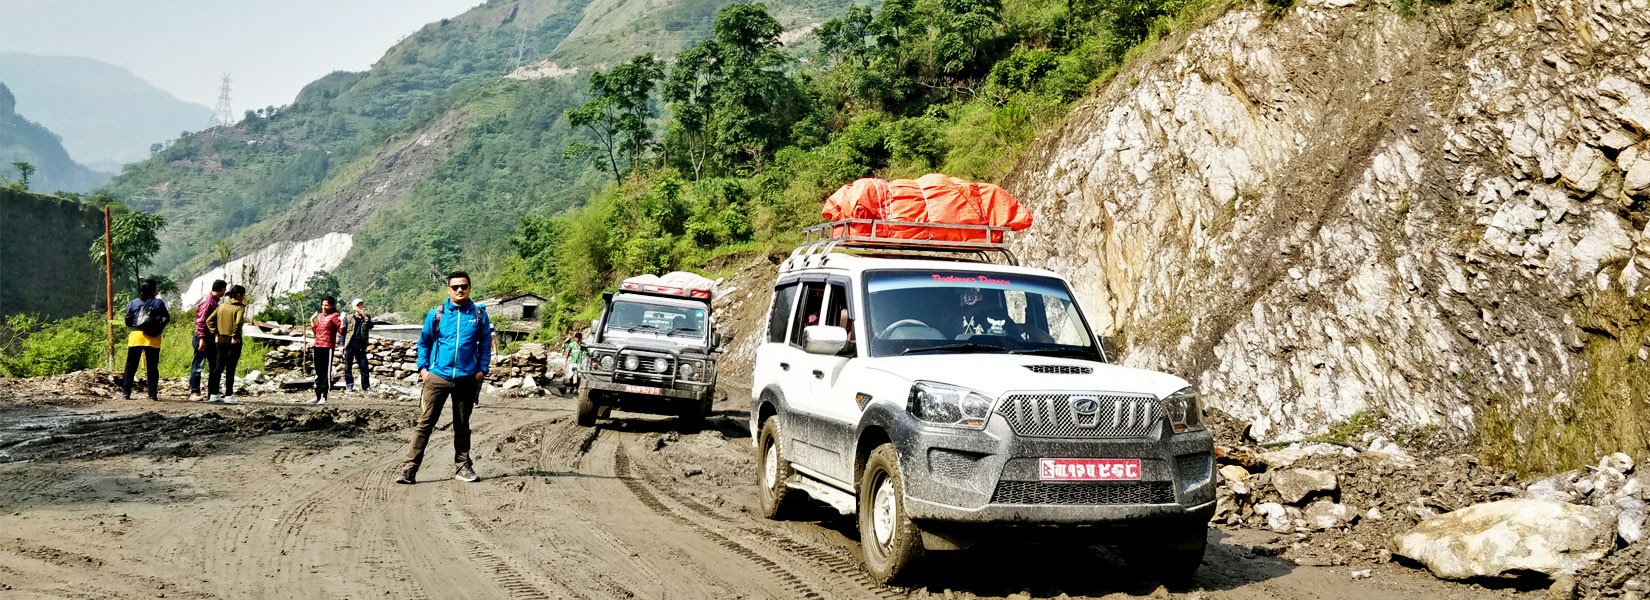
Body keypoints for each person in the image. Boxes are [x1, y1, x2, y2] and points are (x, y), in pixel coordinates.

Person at [396, 271, 492, 485]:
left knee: (462, 424)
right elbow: (424, 343)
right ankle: (409, 469)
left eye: (464, 286)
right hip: (437, 377)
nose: (460, 290)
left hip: (467, 378)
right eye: (456, 286)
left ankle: (462, 466)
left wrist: (481, 371)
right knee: (425, 423)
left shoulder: (478, 315)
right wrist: (423, 370)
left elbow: (485, 345)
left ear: (469, 288)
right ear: (448, 289)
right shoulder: (437, 314)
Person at [121, 278, 170, 401]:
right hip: (152, 339)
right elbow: (166, 318)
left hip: (136, 336)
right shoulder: (159, 303)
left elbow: (127, 321)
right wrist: (156, 329)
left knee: (131, 366)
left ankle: (126, 393)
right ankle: (152, 394)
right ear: (154, 291)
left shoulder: (133, 303)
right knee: (152, 367)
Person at [206, 285, 248, 404]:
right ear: (239, 295)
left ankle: (214, 394)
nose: (244, 297)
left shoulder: (222, 306)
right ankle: (229, 395)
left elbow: (209, 320)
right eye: (243, 295)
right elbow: (238, 322)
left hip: (220, 339)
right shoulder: (239, 308)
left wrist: (215, 333)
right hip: (233, 340)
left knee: (218, 367)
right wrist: (234, 336)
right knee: (230, 368)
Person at [188, 280, 226, 402]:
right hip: (203, 337)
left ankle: (213, 393)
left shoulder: (214, 301)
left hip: (211, 338)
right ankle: (194, 391)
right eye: (224, 290)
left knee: (214, 365)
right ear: (221, 289)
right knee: (198, 365)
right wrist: (202, 339)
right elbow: (200, 321)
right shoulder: (208, 302)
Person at [309, 296, 343, 405]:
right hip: (318, 345)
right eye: (323, 305)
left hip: (327, 347)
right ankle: (317, 395)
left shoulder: (335, 316)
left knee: (326, 374)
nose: (324, 307)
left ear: (332, 305)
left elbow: (342, 331)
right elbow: (316, 332)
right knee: (318, 373)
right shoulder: (319, 316)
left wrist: (342, 321)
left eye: (327, 305)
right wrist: (311, 321)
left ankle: (324, 396)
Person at [341, 298, 374, 392]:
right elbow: (343, 332)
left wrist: (365, 317)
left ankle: (366, 386)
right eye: (358, 305)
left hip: (361, 346)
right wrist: (341, 344)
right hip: (350, 345)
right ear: (354, 307)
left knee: (364, 367)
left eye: (361, 305)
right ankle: (349, 385)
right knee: (348, 367)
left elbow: (371, 326)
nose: (360, 307)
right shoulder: (348, 318)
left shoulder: (367, 317)